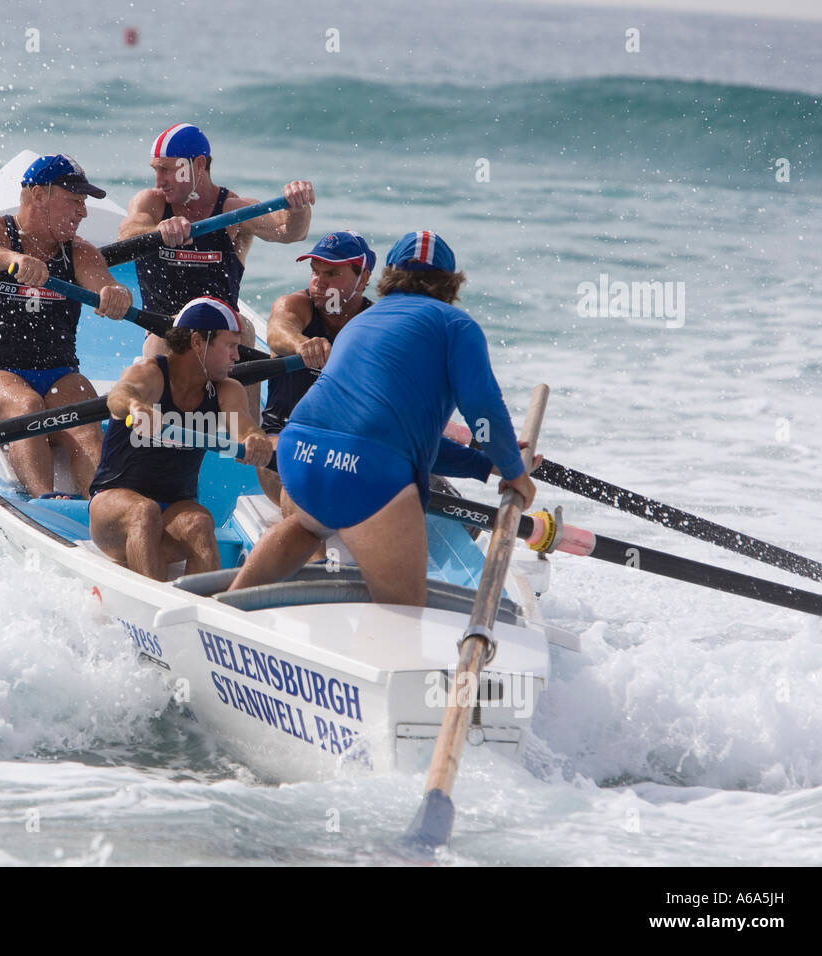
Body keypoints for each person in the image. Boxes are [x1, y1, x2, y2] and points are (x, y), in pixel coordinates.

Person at [228, 231, 538, 606]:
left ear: (387, 275)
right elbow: (483, 407)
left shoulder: (361, 323)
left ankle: (226, 604)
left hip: (301, 455)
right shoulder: (457, 326)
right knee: (404, 610)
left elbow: (401, 438)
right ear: (452, 283)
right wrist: (513, 472)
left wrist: (485, 464)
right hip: (369, 468)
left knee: (308, 526)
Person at [0, 154, 132, 498]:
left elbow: (103, 284)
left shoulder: (79, 253)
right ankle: (45, 500)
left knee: (83, 415)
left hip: (59, 375)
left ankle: (104, 503)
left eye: (83, 203)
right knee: (26, 407)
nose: (82, 212)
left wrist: (115, 295)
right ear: (38, 196)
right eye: (74, 201)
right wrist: (14, 260)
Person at [119, 123, 315, 399]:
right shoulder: (150, 203)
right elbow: (127, 233)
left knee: (244, 328)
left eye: (167, 169)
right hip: (165, 329)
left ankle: (246, 434)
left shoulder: (233, 210)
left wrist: (298, 207)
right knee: (164, 342)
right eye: (156, 170)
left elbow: (290, 232)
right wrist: (158, 232)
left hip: (222, 331)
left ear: (199, 165)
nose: (158, 180)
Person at [88, 297, 273, 581]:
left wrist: (253, 440)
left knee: (200, 522)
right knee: (143, 511)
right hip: (111, 509)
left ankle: (209, 613)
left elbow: (244, 427)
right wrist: (137, 407)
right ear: (198, 342)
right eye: (230, 346)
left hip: (174, 509)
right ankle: (151, 604)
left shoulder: (227, 390)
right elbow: (119, 397)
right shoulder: (150, 374)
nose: (238, 356)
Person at [256, 230, 376, 507]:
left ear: (363, 279)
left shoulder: (376, 323)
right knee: (302, 488)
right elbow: (277, 331)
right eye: (315, 271)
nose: (319, 283)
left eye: (332, 274)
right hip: (283, 436)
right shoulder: (296, 305)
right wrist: (301, 345)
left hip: (343, 445)